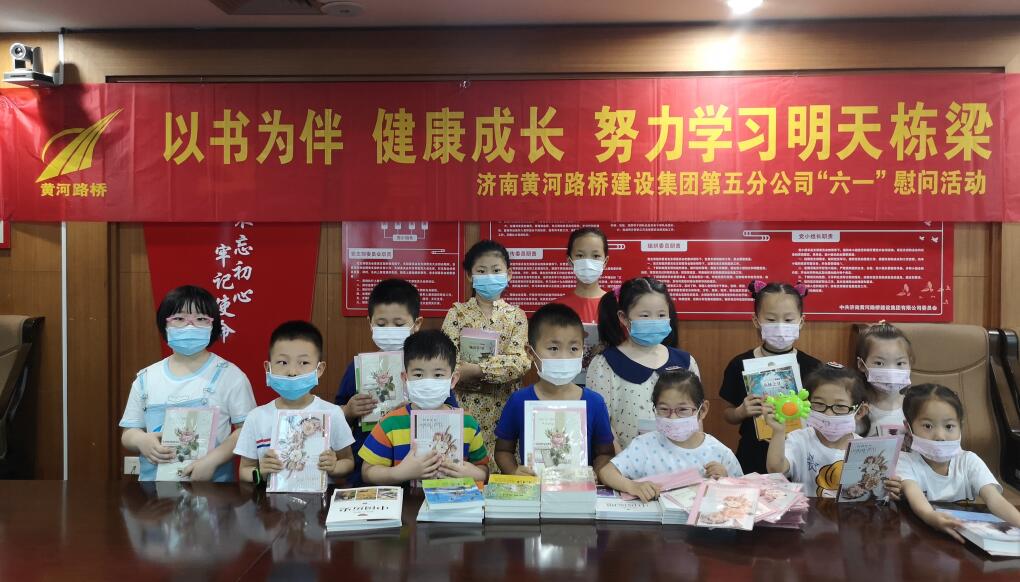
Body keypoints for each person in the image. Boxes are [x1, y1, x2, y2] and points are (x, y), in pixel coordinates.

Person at [119, 285, 256, 482]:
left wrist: (212, 461)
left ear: (213, 325)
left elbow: (247, 430)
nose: (190, 326)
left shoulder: (231, 375)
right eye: (179, 318)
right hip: (153, 491)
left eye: (200, 319)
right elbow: (129, 432)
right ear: (165, 324)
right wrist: (141, 440)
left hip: (213, 488)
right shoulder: (146, 378)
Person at [333, 278, 456, 486]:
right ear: (370, 323)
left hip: (422, 469)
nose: (390, 329)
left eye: (399, 324)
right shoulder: (358, 368)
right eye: (381, 324)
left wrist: (415, 408)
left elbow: (451, 414)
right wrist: (349, 410)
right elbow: (336, 418)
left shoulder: (432, 372)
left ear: (417, 324)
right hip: (368, 469)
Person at [493, 303, 615, 475]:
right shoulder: (519, 401)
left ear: (583, 350)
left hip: (579, 488)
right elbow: (503, 450)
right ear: (530, 352)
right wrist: (513, 471)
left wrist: (596, 472)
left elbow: (606, 453)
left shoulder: (594, 403)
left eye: (573, 348)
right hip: (534, 487)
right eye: (553, 348)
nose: (564, 357)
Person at [441, 239, 530, 467]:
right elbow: (447, 363)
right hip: (464, 407)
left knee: (504, 467)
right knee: (465, 467)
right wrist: (493, 368)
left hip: (505, 408)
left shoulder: (516, 316)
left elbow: (519, 363)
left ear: (509, 274)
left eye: (496, 270)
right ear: (470, 276)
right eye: (481, 271)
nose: (489, 276)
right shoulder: (457, 314)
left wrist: (477, 370)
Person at [360, 330, 489, 485]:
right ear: (405, 378)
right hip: (407, 500)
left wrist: (473, 473)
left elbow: (483, 469)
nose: (428, 383)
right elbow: (367, 472)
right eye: (418, 375)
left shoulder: (467, 423)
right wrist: (397, 473)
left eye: (438, 375)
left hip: (453, 499)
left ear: (453, 380)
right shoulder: (390, 423)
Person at [719, 280, 821, 474]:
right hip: (753, 454)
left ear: (801, 321)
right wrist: (740, 412)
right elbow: (728, 414)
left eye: (788, 320)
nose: (780, 326)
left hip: (799, 456)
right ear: (756, 321)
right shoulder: (739, 364)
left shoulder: (814, 367)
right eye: (771, 320)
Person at [235, 320, 355, 484]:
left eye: (303, 363)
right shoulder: (256, 417)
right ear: (268, 368)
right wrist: (260, 472)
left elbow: (348, 462)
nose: (292, 372)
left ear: (319, 369)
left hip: (320, 498)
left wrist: (334, 467)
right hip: (269, 500)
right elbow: (244, 470)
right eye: (282, 362)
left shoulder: (332, 413)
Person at [586, 276, 699, 448]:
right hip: (625, 461)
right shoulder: (604, 364)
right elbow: (603, 425)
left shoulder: (686, 362)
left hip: (679, 460)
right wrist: (621, 461)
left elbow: (696, 419)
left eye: (661, 315)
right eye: (645, 315)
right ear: (624, 317)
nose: (654, 321)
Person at [897, 384, 1020, 540]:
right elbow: (915, 496)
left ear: (960, 426)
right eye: (928, 426)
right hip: (923, 535)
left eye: (949, 426)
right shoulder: (904, 461)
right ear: (908, 428)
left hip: (964, 537)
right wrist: (930, 516)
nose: (940, 436)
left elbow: (994, 500)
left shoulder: (969, 461)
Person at [598, 369, 742, 502]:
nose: (673, 418)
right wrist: (632, 486)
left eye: (682, 410)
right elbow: (606, 473)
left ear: (702, 410)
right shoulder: (645, 445)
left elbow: (744, 496)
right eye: (664, 409)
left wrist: (725, 482)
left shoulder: (720, 454)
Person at [766, 363, 880, 497]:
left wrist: (891, 488)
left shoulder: (867, 451)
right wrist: (778, 432)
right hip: (807, 510)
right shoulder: (799, 440)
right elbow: (775, 470)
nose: (828, 414)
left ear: (860, 411)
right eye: (819, 404)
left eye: (840, 406)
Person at [854, 321, 913, 437]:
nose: (891, 371)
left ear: (910, 363)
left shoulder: (915, 407)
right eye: (879, 363)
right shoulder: (856, 411)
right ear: (861, 364)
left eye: (900, 363)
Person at [553, 227, 609, 324]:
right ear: (570, 261)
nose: (587, 262)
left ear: (605, 261)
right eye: (580, 255)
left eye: (596, 256)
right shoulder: (556, 308)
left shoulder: (617, 306)